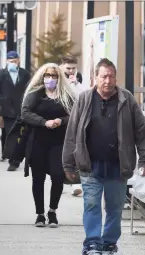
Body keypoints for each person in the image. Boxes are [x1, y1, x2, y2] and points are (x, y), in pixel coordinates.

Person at [62, 58, 145, 255]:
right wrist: (68, 164)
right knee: (92, 205)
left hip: (118, 166)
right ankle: (93, 247)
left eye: (111, 76)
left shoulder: (126, 99)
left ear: (116, 78)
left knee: (114, 209)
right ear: (95, 78)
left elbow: (143, 134)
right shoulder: (84, 99)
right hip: (90, 165)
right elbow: (72, 132)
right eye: (103, 76)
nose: (107, 80)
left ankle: (109, 246)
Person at [21, 63, 75, 228]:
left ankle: (52, 211)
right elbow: (25, 113)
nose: (50, 79)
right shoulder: (35, 94)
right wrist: (44, 122)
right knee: (38, 179)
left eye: (54, 76)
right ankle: (40, 214)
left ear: (59, 78)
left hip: (59, 143)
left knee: (58, 176)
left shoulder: (65, 96)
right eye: (47, 76)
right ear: (42, 77)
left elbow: (73, 115)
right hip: (38, 141)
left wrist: (61, 120)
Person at [0, 51, 31, 171]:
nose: (13, 63)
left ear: (19, 61)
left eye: (15, 61)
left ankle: (14, 158)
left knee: (18, 134)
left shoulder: (24, 74)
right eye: (10, 61)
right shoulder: (1, 74)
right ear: (7, 61)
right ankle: (13, 160)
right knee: (9, 134)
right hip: (7, 110)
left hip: (21, 109)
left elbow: (30, 89)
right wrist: (3, 99)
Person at [60, 55, 87, 197]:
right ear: (62, 66)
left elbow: (82, 96)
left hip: (75, 117)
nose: (71, 71)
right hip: (60, 117)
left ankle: (75, 183)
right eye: (68, 68)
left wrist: (76, 83)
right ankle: (60, 179)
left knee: (74, 150)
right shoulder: (56, 76)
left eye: (73, 68)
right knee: (62, 150)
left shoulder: (78, 77)